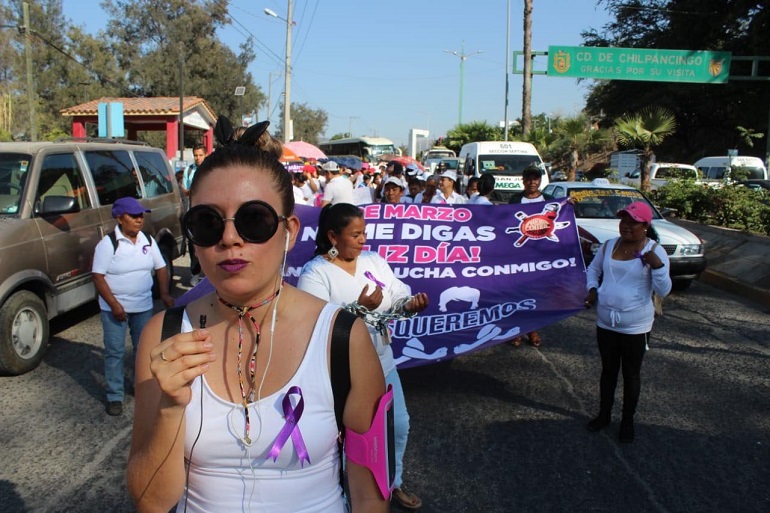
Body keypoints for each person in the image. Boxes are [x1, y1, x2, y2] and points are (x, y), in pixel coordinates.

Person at [127, 143, 389, 512]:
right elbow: (150, 501)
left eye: (253, 220)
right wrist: (171, 408)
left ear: (289, 231)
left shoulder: (343, 337)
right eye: (208, 223)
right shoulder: (165, 335)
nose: (229, 239)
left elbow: (370, 495)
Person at [297, 203, 429, 511]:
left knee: (398, 425)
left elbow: (397, 293)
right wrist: (358, 309)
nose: (363, 240)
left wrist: (408, 304)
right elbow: (314, 322)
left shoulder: (374, 261)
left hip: (382, 361)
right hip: (342, 371)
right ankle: (345, 494)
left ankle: (392, 482)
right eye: (355, 234)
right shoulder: (315, 273)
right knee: (350, 437)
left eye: (364, 233)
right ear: (333, 236)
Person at [583, 201, 671, 443]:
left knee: (631, 374)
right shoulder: (609, 245)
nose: (626, 226)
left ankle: (627, 421)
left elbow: (663, 290)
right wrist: (592, 290)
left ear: (645, 226)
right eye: (624, 221)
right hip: (606, 323)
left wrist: (657, 266)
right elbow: (593, 270)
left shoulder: (655, 251)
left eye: (633, 223)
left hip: (635, 326)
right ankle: (603, 415)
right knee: (608, 371)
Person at [92, 197, 174, 416]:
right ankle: (115, 396)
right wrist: (114, 305)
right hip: (114, 309)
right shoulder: (108, 244)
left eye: (141, 216)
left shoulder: (147, 240)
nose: (139, 220)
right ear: (120, 219)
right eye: (134, 216)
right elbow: (98, 276)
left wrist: (165, 293)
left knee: (144, 350)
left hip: (143, 307)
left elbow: (161, 267)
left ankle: (142, 387)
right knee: (115, 352)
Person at [507, 165, 548, 347]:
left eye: (535, 178)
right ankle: (516, 330)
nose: (532, 182)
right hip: (519, 255)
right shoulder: (515, 200)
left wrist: (569, 206)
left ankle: (532, 330)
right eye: (529, 178)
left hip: (541, 256)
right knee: (517, 293)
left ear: (540, 180)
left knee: (536, 295)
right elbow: (505, 222)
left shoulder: (551, 200)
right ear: (523, 181)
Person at [183, 144, 208, 286]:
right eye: (195, 155)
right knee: (193, 243)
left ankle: (210, 274)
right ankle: (195, 273)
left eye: (200, 155)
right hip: (193, 212)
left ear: (206, 155)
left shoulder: (211, 169)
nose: (198, 158)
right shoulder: (189, 170)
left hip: (208, 212)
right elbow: (186, 190)